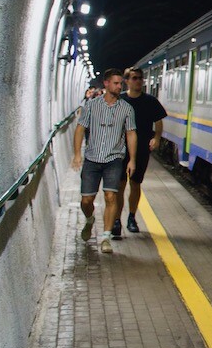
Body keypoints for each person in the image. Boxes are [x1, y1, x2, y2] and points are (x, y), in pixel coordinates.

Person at [71, 68, 136, 254]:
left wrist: (132, 160)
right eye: (116, 83)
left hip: (114, 159)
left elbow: (131, 134)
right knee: (86, 200)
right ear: (106, 84)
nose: (119, 86)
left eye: (120, 83)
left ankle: (106, 237)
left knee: (110, 196)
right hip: (92, 159)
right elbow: (80, 129)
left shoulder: (126, 109)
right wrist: (77, 154)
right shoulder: (91, 106)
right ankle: (90, 219)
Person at [118, 67, 168, 236]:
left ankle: (131, 217)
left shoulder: (150, 101)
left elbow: (159, 121)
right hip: (120, 149)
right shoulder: (120, 100)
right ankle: (116, 219)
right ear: (127, 81)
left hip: (141, 150)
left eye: (140, 78)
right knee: (119, 185)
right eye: (134, 78)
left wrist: (157, 138)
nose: (138, 81)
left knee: (135, 183)